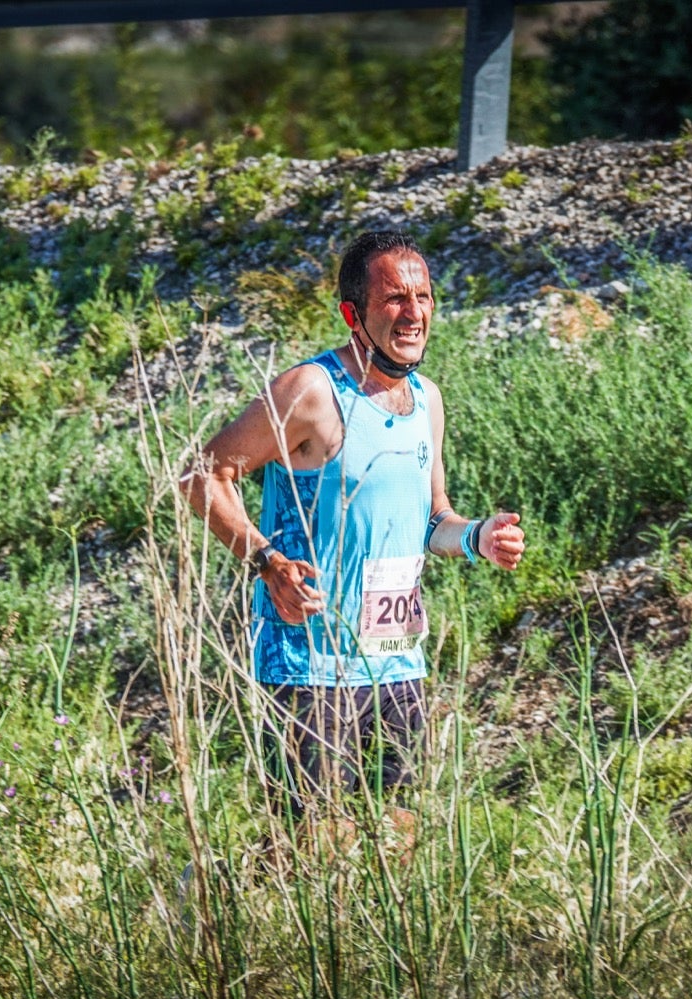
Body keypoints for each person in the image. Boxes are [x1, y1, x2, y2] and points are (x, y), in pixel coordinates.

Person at [183, 230, 524, 821]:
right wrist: (267, 563)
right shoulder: (312, 391)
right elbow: (202, 475)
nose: (414, 312)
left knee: (402, 836)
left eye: (423, 296)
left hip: (397, 662)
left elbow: (432, 518)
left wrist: (477, 537)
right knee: (311, 849)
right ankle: (207, 902)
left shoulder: (428, 400)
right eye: (394, 298)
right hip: (310, 666)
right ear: (353, 313)